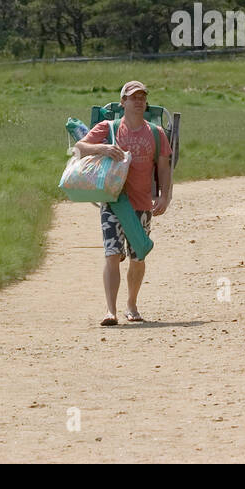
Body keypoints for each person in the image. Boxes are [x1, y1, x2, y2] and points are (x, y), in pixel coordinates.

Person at [73, 80, 173, 326]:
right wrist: (104, 148)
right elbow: (79, 148)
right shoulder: (108, 128)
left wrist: (164, 196)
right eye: (133, 97)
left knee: (138, 257)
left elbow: (163, 167)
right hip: (113, 200)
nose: (138, 101)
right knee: (112, 254)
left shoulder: (156, 133)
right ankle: (111, 310)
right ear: (123, 102)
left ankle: (132, 304)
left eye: (142, 97)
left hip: (142, 203)